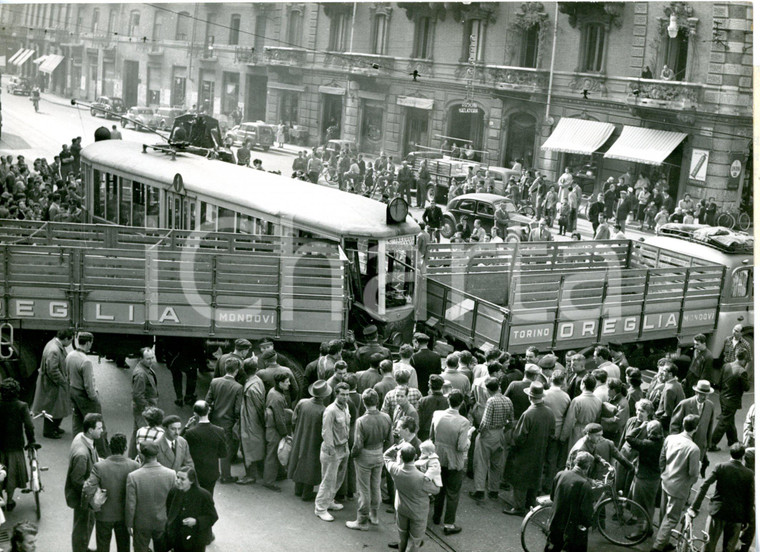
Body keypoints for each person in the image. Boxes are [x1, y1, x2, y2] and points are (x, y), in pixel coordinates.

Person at [688, 443, 754, 552]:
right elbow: (750, 499)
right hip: (736, 516)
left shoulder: (721, 467)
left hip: (717, 512)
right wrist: (747, 520)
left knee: (709, 546)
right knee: (729, 548)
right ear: (742, 457)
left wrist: (695, 506)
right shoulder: (749, 474)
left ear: (730, 453)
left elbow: (704, 486)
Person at [651, 414, 701, 552]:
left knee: (663, 513)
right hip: (679, 487)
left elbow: (662, 459)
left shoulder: (670, 438)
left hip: (666, 480)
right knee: (672, 518)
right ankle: (658, 546)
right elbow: (693, 473)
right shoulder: (694, 448)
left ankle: (663, 540)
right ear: (695, 428)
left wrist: (664, 473)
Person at [82, 433, 139, 552]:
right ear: (125, 448)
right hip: (124, 516)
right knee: (124, 547)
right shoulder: (134, 466)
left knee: (103, 547)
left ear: (110, 447)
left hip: (104, 515)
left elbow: (88, 488)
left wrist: (89, 505)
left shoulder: (99, 466)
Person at [505, 382, 555, 516]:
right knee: (535, 477)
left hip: (525, 451)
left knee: (520, 478)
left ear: (530, 397)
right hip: (540, 450)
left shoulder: (528, 414)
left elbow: (520, 436)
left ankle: (518, 507)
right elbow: (552, 434)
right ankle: (530, 503)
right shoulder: (549, 413)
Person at [346, 388, 393, 531]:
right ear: (377, 401)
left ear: (364, 403)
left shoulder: (361, 421)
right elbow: (390, 441)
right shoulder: (386, 417)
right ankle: (374, 515)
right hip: (379, 453)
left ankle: (362, 520)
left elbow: (358, 444)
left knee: (363, 489)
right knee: (375, 486)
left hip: (364, 456)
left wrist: (353, 455)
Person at [430, 390, 472, 535]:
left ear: (448, 401)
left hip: (438, 456)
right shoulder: (464, 422)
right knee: (453, 492)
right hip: (454, 460)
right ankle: (449, 524)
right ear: (461, 403)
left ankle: (436, 516)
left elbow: (431, 436)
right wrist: (469, 439)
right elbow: (461, 446)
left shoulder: (437, 414)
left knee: (439, 489)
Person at [125, 441, 176, 552]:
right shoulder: (171, 474)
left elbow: (131, 504)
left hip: (141, 523)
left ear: (142, 455)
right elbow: (174, 502)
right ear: (157, 454)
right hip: (163, 522)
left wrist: (129, 524)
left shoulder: (133, 476)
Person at [469, 377, 513, 501]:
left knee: (481, 462)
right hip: (501, 432)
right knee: (497, 464)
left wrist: (479, 432)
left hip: (488, 434)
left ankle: (479, 490)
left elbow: (485, 422)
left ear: (488, 390)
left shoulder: (491, 401)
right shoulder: (508, 400)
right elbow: (511, 419)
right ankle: (494, 490)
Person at [65, 413, 104, 552]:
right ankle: (80, 549)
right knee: (82, 527)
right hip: (83, 498)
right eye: (99, 428)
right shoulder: (82, 454)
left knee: (85, 525)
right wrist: (93, 494)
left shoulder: (81, 437)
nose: (102, 430)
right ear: (90, 430)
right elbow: (77, 481)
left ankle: (82, 547)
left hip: (85, 495)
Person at [314, 382, 351, 521]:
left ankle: (329, 501)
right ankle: (320, 508)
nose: (346, 397)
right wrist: (331, 450)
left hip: (343, 447)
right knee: (328, 480)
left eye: (347, 394)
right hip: (332, 449)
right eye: (343, 394)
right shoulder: (330, 411)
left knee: (338, 478)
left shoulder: (345, 407)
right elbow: (326, 431)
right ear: (336, 394)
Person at [288, 380, 330, 501]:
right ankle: (307, 492)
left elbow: (294, 419)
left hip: (300, 436)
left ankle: (298, 488)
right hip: (314, 440)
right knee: (311, 464)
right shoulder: (323, 410)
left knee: (299, 458)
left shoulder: (302, 403)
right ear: (324, 395)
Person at [68, 332, 108, 458]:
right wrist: (95, 399)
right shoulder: (86, 361)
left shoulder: (70, 355)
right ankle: (104, 454)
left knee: (78, 422)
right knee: (98, 426)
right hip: (85, 395)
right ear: (89, 342)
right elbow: (89, 386)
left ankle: (77, 448)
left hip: (73, 391)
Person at [546, 450, 595, 552]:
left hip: (555, 522)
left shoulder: (560, 474)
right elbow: (586, 513)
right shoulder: (585, 485)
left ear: (576, 462)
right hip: (572, 530)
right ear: (588, 467)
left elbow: (552, 497)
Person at [205, 357, 243, 484]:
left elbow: (207, 401)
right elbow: (238, 409)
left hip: (214, 420)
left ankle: (211, 473)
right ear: (236, 371)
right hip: (228, 423)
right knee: (226, 450)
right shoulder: (238, 387)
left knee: (212, 448)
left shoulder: (215, 382)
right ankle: (225, 476)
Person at [0, 379, 35, 513]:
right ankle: (9, 500)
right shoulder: (21, 406)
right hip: (14, 446)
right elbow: (29, 426)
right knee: (12, 475)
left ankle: (0, 499)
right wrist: (31, 442)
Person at [32, 328, 74, 439]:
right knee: (52, 408)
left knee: (57, 407)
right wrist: (63, 382)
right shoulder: (54, 350)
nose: (70, 343)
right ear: (65, 339)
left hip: (52, 383)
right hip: (53, 384)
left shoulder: (53, 344)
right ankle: (49, 431)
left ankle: (55, 427)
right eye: (70, 340)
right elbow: (53, 370)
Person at [166, 467, 219, 552]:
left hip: (196, 541)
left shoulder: (204, 496)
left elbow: (212, 516)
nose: (178, 481)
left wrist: (196, 521)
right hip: (178, 539)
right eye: (177, 477)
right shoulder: (173, 492)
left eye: (182, 479)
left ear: (191, 480)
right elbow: (169, 512)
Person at [182, 401, 227, 497]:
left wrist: (186, 427)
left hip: (195, 472)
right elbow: (223, 453)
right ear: (209, 411)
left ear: (195, 413)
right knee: (208, 498)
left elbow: (179, 443)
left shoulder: (190, 432)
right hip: (211, 472)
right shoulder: (220, 431)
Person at [710, 349, 750, 451]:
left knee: (729, 420)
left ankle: (733, 440)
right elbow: (747, 387)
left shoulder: (726, 366)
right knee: (724, 422)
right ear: (744, 359)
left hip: (723, 397)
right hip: (732, 400)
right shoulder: (742, 372)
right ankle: (712, 443)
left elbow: (720, 382)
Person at [670, 380, 715, 464]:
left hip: (700, 446)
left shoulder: (710, 406)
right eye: (702, 394)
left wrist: (708, 444)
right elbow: (674, 425)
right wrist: (676, 443)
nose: (704, 397)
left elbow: (710, 425)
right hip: (684, 446)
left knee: (695, 470)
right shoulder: (684, 404)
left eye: (706, 395)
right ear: (696, 393)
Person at [238, 358, 266, 485]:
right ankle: (258, 472)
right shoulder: (257, 382)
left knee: (248, 447)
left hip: (250, 421)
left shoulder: (251, 387)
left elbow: (259, 407)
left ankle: (251, 475)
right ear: (256, 370)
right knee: (255, 446)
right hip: (253, 421)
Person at [262, 373, 292, 492]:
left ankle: (278, 474)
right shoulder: (278, 398)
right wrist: (285, 433)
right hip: (274, 430)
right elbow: (279, 418)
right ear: (280, 383)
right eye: (287, 382)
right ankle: (268, 481)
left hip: (271, 427)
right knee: (273, 455)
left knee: (274, 453)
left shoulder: (273, 392)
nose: (289, 384)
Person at [129, 347, 159, 457]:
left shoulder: (146, 369)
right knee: (144, 435)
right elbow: (137, 395)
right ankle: (141, 459)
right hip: (143, 409)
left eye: (152, 358)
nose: (151, 361)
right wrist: (148, 409)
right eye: (148, 359)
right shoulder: (141, 374)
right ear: (141, 359)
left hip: (143, 408)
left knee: (136, 432)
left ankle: (131, 457)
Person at [561, 374, 603, 449]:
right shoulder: (598, 401)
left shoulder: (577, 400)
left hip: (578, 432)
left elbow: (569, 421)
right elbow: (598, 418)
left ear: (583, 384)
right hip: (591, 432)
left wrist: (563, 437)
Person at [417, 375, 449, 442]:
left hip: (425, 435)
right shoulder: (447, 401)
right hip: (443, 434)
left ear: (429, 386)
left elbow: (419, 420)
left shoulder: (423, 401)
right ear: (442, 386)